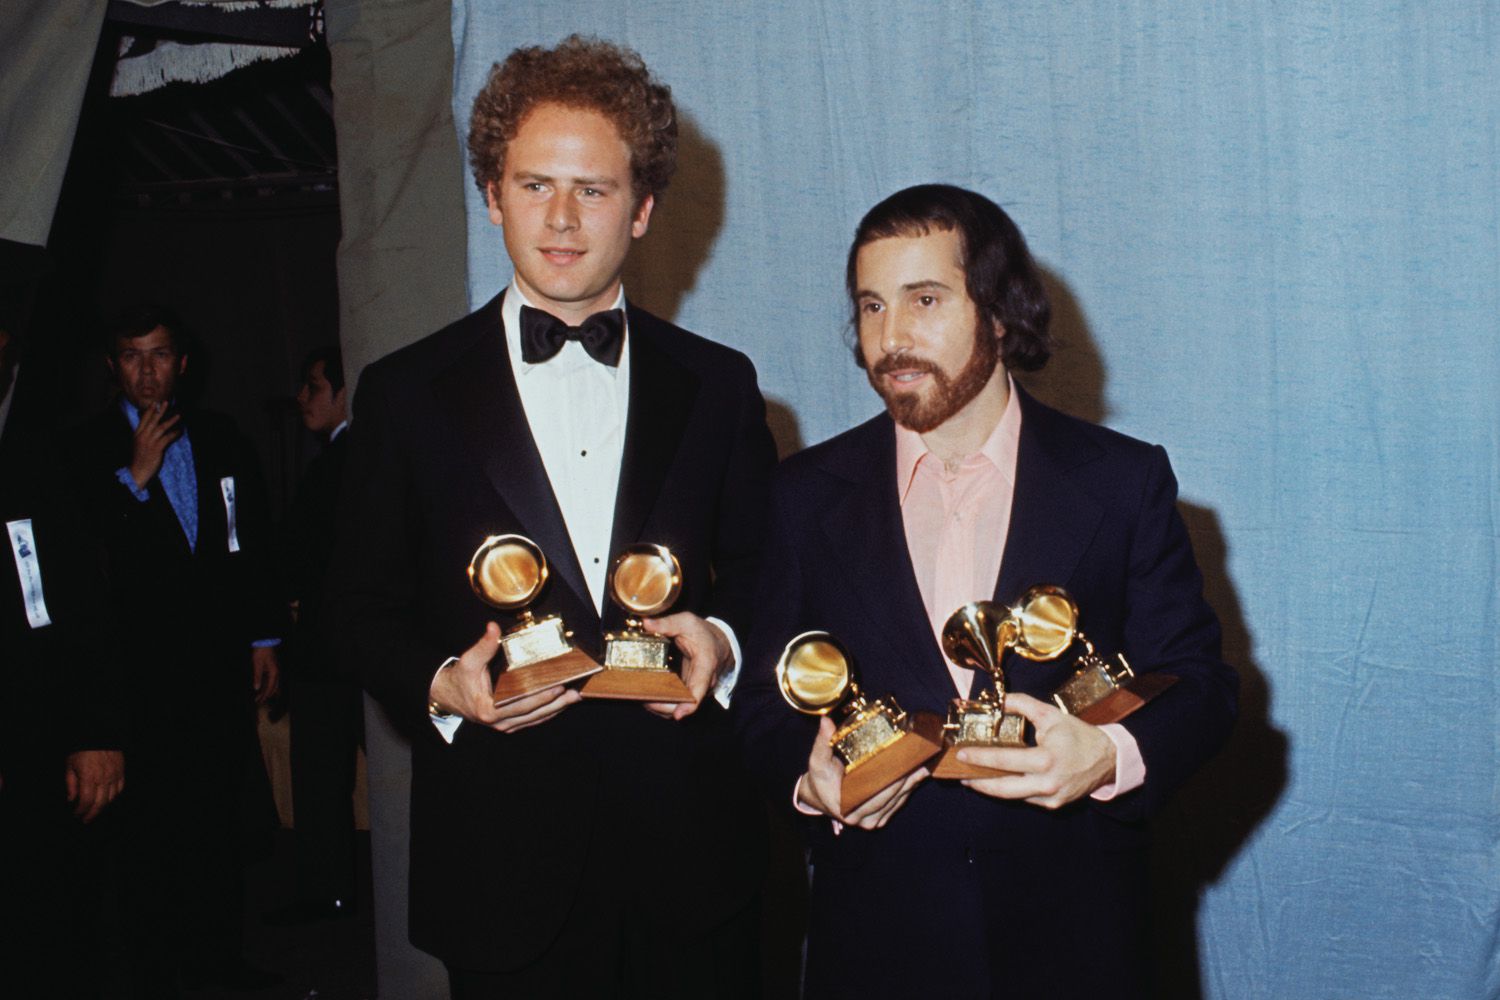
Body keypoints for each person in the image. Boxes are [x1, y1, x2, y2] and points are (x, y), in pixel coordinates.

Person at [328, 35, 777, 998]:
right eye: (534, 186)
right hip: (499, 871)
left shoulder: (721, 385)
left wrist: (725, 644)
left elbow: (769, 576)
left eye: (595, 190)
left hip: (695, 865)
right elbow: (355, 607)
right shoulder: (404, 394)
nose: (562, 221)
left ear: (645, 208)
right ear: (491, 194)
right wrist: (446, 684)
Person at [731, 184, 1238, 999]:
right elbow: (762, 700)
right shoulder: (804, 494)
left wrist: (1108, 755)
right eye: (870, 305)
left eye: (923, 299)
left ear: (1001, 313)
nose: (890, 337)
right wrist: (807, 776)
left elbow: (1203, 686)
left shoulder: (1121, 482)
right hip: (874, 949)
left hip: (1079, 947)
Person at [69, 305, 284, 996]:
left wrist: (263, 636)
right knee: (150, 837)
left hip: (214, 671)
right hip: (136, 681)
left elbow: (248, 540)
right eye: (132, 356)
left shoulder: (221, 436)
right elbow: (84, 567)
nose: (147, 370)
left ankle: (219, 964)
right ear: (113, 366)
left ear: (182, 363)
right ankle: (158, 974)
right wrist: (135, 477)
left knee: (216, 824)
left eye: (159, 354)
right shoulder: (87, 448)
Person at [0, 321, 125, 998]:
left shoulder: (32, 457)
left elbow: (77, 602)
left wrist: (96, 732)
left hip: (34, 741)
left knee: (46, 935)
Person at [271, 345, 360, 923]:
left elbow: (311, 554)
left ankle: (327, 893)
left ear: (343, 393)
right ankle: (333, 889)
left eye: (313, 386)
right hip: (340, 642)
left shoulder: (343, 459)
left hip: (332, 646)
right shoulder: (342, 455)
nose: (302, 398)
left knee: (322, 774)